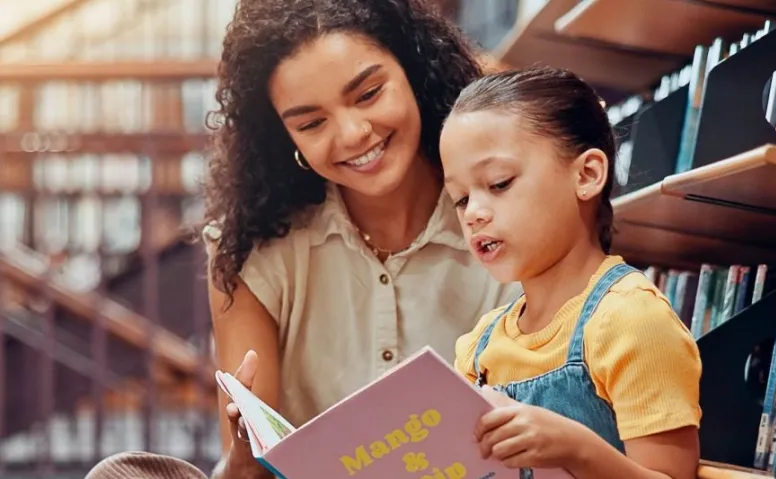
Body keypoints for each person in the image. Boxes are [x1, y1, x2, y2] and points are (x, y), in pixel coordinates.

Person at [189, 1, 520, 478]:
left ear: (414, 69)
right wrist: (247, 448)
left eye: (368, 94)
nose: (352, 135)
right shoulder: (250, 249)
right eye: (311, 124)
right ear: (284, 137)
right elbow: (248, 472)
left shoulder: (507, 210)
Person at [439, 65, 703, 479]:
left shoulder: (633, 321)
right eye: (459, 199)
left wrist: (578, 450)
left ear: (587, 174)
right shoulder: (476, 349)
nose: (473, 213)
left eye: (499, 183)